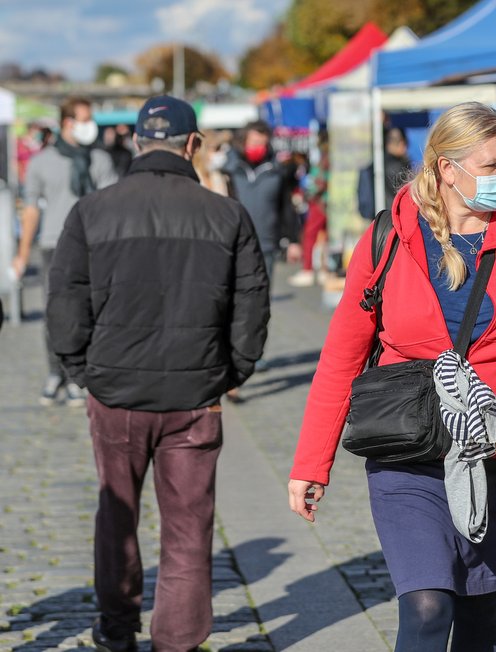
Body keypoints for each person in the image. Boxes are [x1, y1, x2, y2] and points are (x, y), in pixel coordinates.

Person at [288, 102, 496, 652]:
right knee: (428, 607)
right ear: (446, 170)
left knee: (480, 620)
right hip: (407, 450)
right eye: (491, 166)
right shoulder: (388, 238)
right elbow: (342, 354)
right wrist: (312, 463)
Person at [45, 95, 270, 652]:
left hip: (116, 393)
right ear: (192, 145)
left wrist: (81, 371)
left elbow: (64, 302)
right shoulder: (225, 214)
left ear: (139, 142)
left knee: (117, 516)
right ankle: (177, 642)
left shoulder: (92, 211)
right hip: (194, 395)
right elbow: (253, 307)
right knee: (190, 530)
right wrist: (230, 371)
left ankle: (117, 630)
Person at [14, 96, 117, 407]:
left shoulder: (100, 159)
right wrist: (21, 254)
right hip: (54, 244)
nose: (91, 126)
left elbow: (113, 205)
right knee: (55, 313)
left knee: (91, 310)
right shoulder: (41, 162)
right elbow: (30, 210)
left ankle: (80, 376)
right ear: (68, 123)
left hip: (94, 245)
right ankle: (55, 372)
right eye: (85, 119)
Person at [223, 120, 301, 286]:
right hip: (236, 242)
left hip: (266, 243)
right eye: (255, 142)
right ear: (244, 142)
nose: (259, 147)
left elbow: (286, 207)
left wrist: (293, 240)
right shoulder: (230, 170)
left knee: (263, 296)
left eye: (263, 144)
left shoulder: (275, 171)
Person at [289, 132, 329, 287]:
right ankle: (324, 269)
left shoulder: (326, 159)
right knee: (324, 237)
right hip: (324, 203)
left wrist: (307, 195)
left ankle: (309, 269)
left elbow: (320, 182)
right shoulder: (326, 158)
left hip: (320, 203)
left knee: (310, 235)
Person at [357, 126, 414, 218]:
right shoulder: (396, 166)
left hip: (381, 218)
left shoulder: (378, 164)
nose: (405, 148)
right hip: (394, 217)